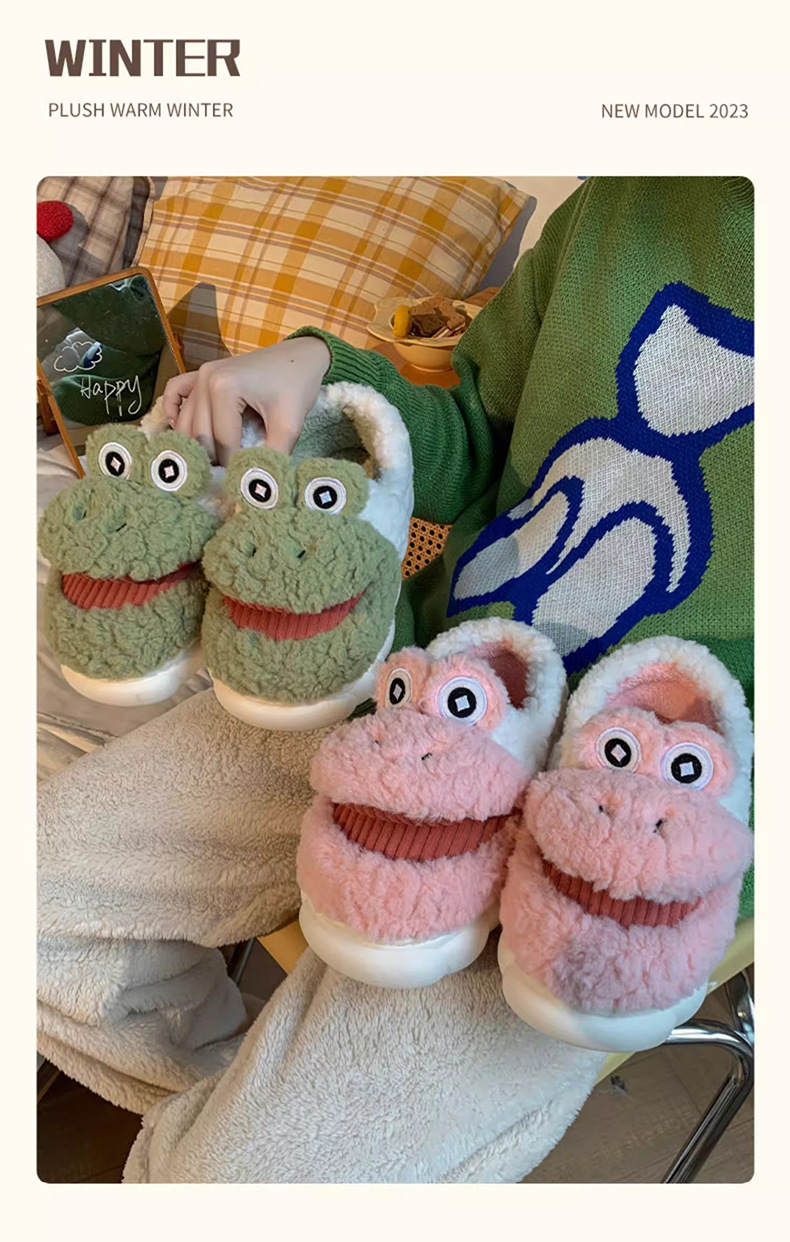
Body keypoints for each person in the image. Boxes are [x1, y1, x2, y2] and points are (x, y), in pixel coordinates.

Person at [38, 177, 753, 1182]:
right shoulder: (623, 199)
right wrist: (321, 374)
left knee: (233, 1180)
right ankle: (256, 1128)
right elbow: (475, 431)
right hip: (417, 692)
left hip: (634, 842)